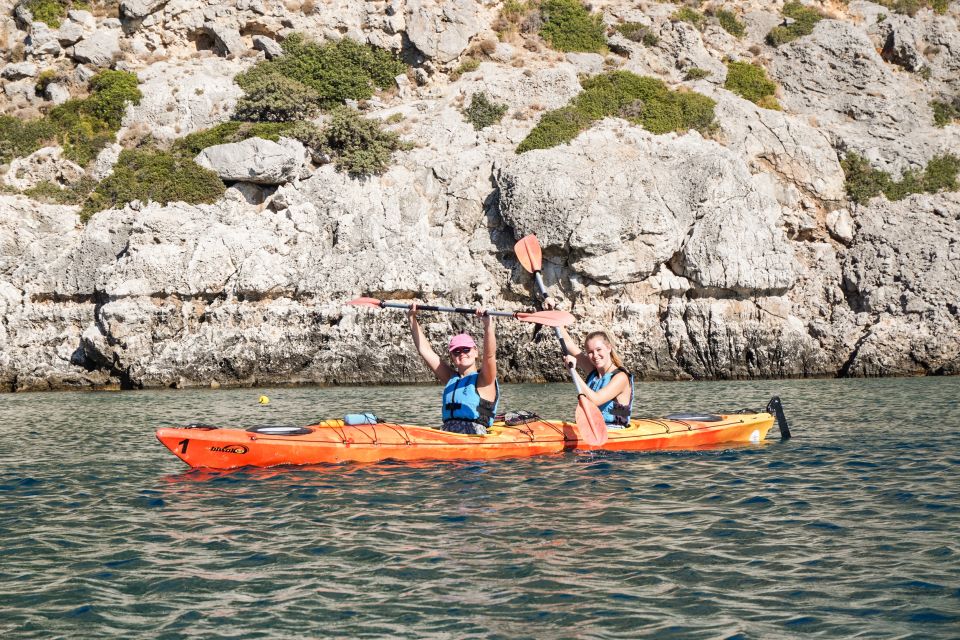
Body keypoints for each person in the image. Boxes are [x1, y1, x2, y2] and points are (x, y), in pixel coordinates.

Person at [408, 305, 499, 435]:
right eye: (456, 351)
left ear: (476, 352)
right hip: (447, 433)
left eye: (466, 349)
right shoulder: (451, 378)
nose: (462, 353)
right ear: (452, 356)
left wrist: (488, 325)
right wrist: (411, 317)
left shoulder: (485, 379)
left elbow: (490, 355)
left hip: (474, 435)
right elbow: (425, 350)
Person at [544, 298, 633, 429]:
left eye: (599, 350)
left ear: (608, 348)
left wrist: (573, 372)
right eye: (590, 352)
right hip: (592, 427)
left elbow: (595, 399)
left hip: (615, 429)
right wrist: (552, 313)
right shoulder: (594, 372)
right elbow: (568, 343)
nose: (595, 355)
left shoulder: (621, 377)